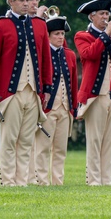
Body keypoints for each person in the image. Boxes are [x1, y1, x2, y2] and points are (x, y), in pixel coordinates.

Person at [0, 0, 51, 187]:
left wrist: (47, 87)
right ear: (10, 2)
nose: (26, 3)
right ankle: (8, 180)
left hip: (33, 91)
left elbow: (45, 58)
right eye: (21, 0)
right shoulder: (1, 25)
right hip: (10, 91)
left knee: (26, 140)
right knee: (9, 139)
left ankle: (22, 180)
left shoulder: (40, 25)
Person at [74, 0, 111, 186]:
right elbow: (89, 54)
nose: (105, 17)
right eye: (101, 14)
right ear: (91, 17)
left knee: (109, 141)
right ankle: (93, 180)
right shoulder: (82, 36)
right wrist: (106, 34)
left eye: (107, 14)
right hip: (95, 96)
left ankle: (106, 180)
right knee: (95, 141)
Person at [34, 16, 76, 186]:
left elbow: (73, 82)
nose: (61, 37)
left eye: (62, 34)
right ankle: (42, 180)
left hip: (65, 108)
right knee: (43, 147)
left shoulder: (70, 55)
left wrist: (73, 107)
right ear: (48, 35)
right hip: (48, 109)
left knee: (60, 149)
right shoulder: (42, 54)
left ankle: (58, 181)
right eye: (57, 34)